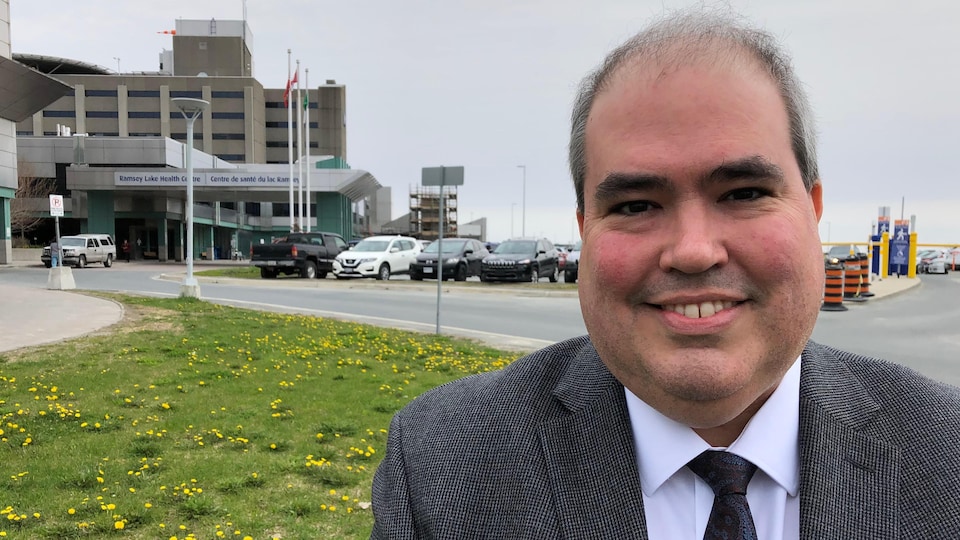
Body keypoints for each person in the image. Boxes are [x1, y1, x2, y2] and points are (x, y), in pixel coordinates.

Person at [370, 10, 960, 540]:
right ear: (585, 228)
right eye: (635, 205)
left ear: (814, 209)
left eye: (745, 192)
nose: (694, 251)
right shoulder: (441, 463)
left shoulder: (947, 454)